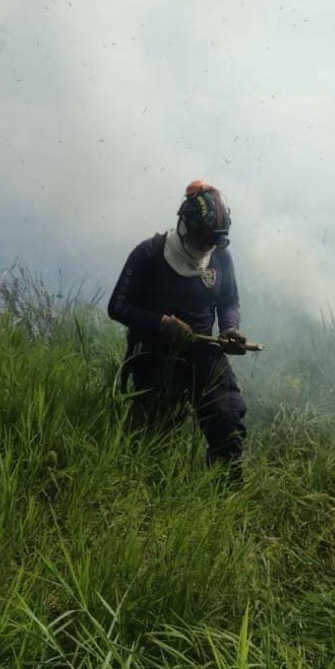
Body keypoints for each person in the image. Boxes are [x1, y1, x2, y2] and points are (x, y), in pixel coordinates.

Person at [107, 180, 249, 477]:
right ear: (184, 224)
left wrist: (230, 329)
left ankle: (221, 491)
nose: (206, 247)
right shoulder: (149, 254)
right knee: (152, 441)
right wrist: (161, 323)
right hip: (154, 356)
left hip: (204, 353)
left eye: (213, 241)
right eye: (202, 239)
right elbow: (118, 307)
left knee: (227, 420)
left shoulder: (220, 258)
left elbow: (229, 300)